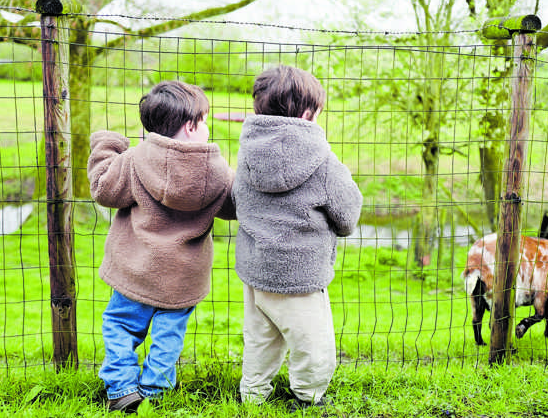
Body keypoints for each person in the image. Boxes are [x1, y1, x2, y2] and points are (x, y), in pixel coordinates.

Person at [88, 80, 235, 413]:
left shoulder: (135, 159)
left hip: (134, 270)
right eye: (206, 120)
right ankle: (154, 388)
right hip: (183, 279)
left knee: (120, 326)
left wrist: (106, 144)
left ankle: (122, 386)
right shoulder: (219, 173)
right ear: (192, 126)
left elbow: (103, 189)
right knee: (169, 334)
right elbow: (235, 207)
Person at [233, 65, 363, 410]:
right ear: (309, 113)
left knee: (260, 338)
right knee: (313, 343)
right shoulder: (323, 161)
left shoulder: (247, 154)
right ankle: (309, 395)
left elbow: (238, 200)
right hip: (301, 275)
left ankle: (253, 395)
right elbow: (347, 216)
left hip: (256, 271)